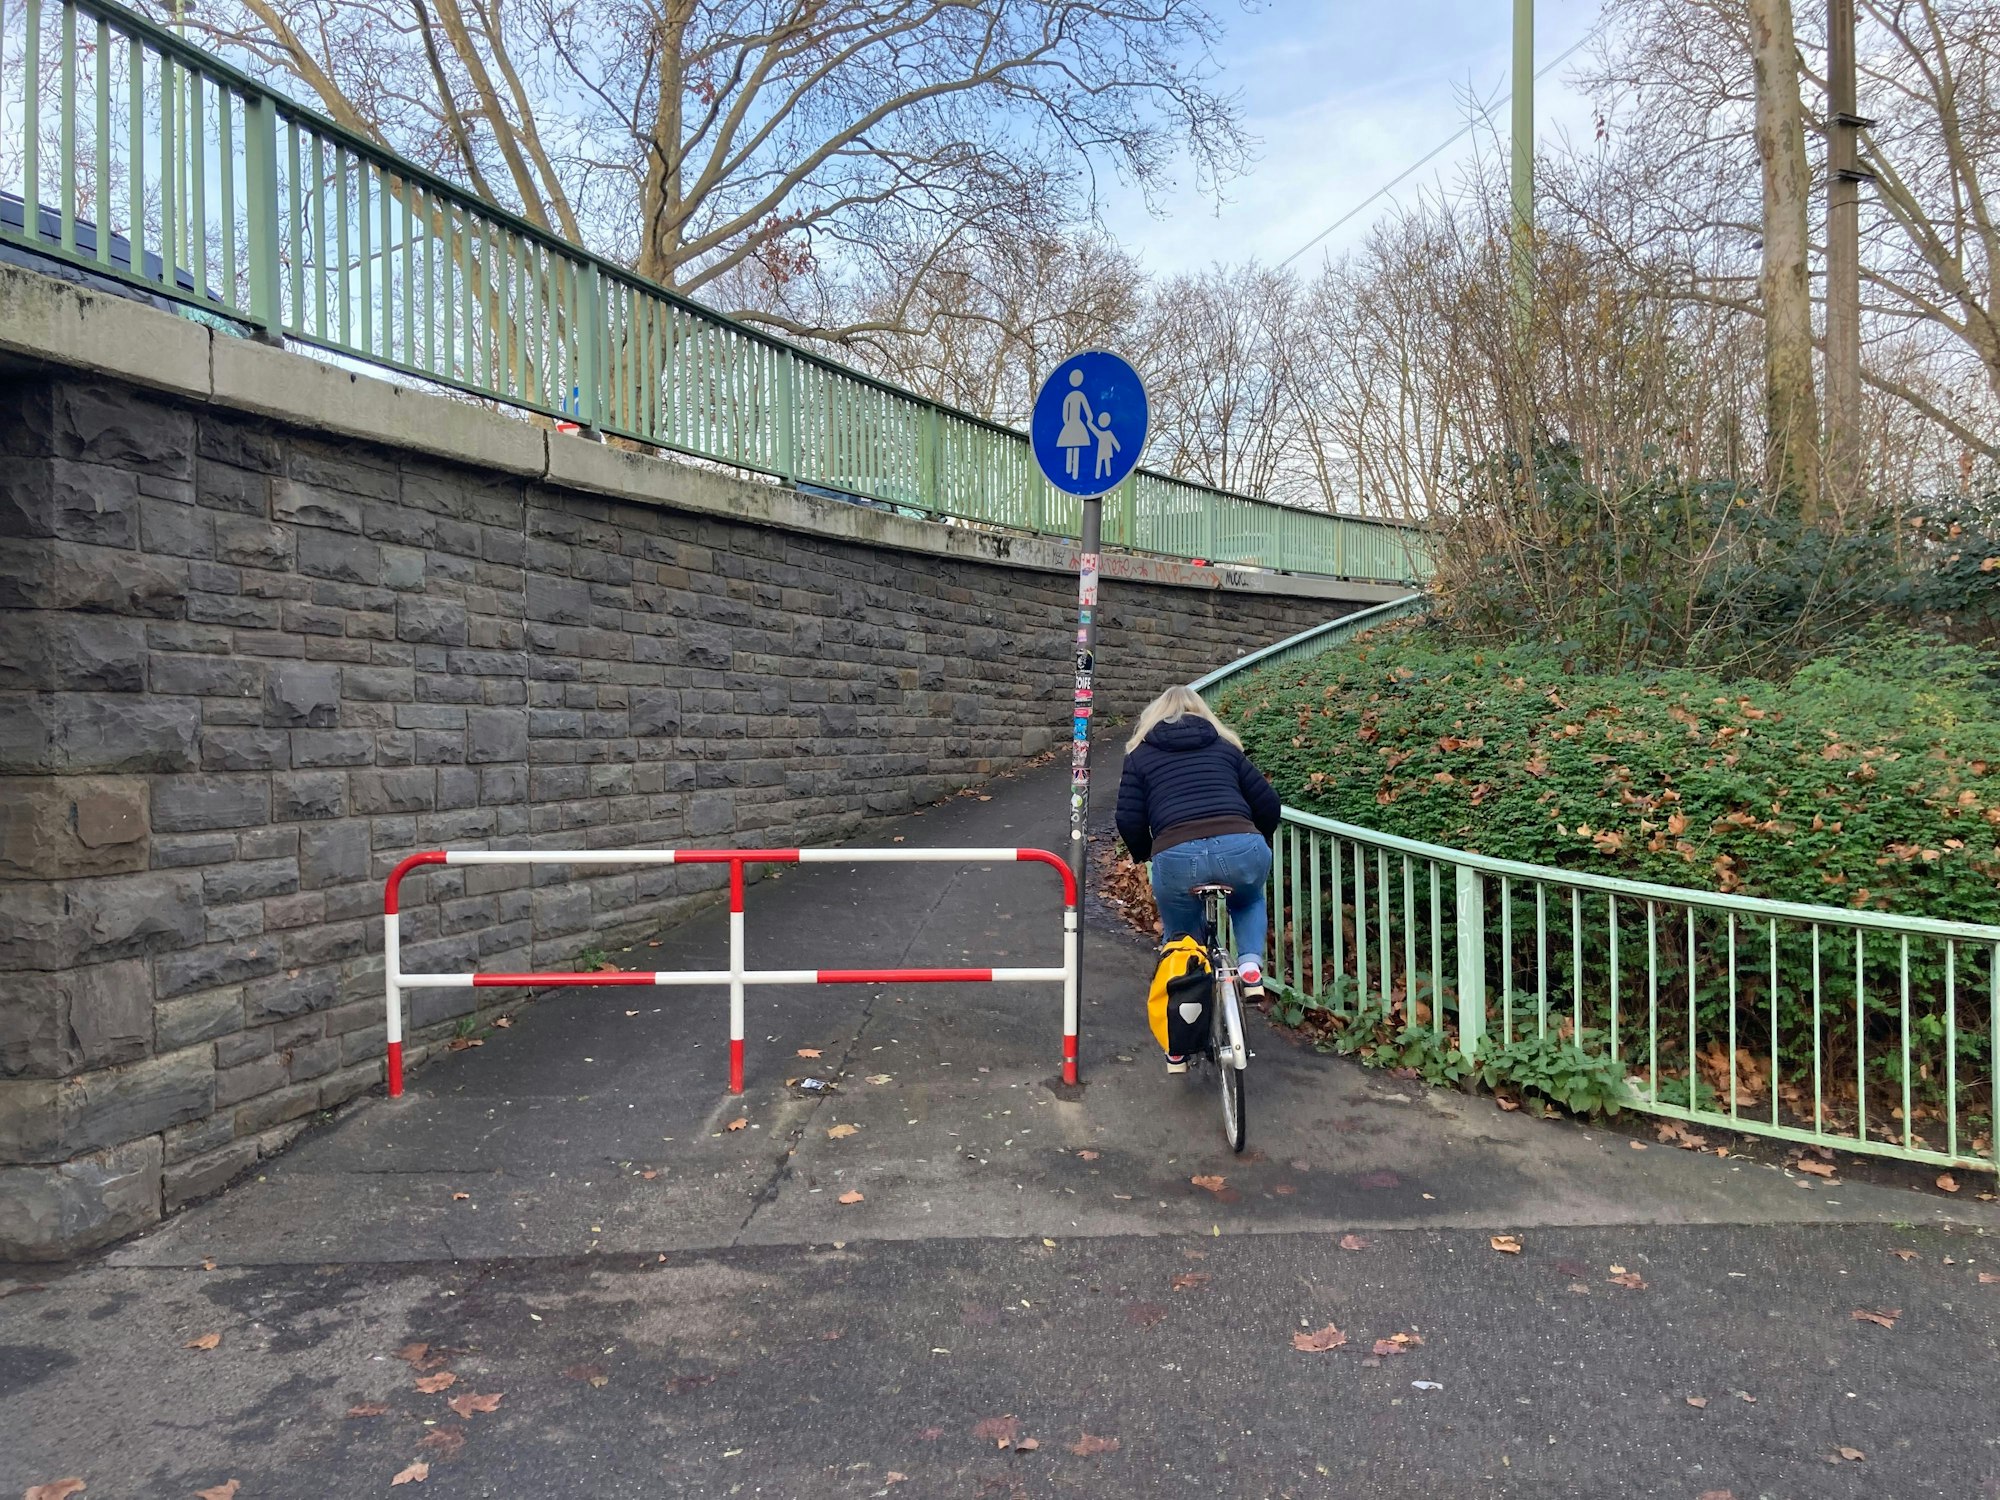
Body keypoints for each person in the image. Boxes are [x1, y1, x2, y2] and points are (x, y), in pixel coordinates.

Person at [1115, 685, 1281, 1073]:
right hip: (1242, 844)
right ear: (1202, 713)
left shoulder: (1140, 755)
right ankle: (1251, 967)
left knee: (1180, 944)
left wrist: (1145, 854)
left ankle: (1178, 1045)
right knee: (1248, 899)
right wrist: (1257, 840)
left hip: (1177, 854)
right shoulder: (1225, 748)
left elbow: (1128, 819)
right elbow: (1268, 803)